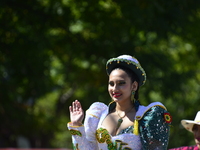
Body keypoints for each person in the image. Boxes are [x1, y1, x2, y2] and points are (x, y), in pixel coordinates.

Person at [67, 54, 172, 150]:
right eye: (111, 84)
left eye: (121, 83)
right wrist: (76, 125)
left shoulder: (147, 117)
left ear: (134, 86)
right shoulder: (98, 115)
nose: (115, 89)